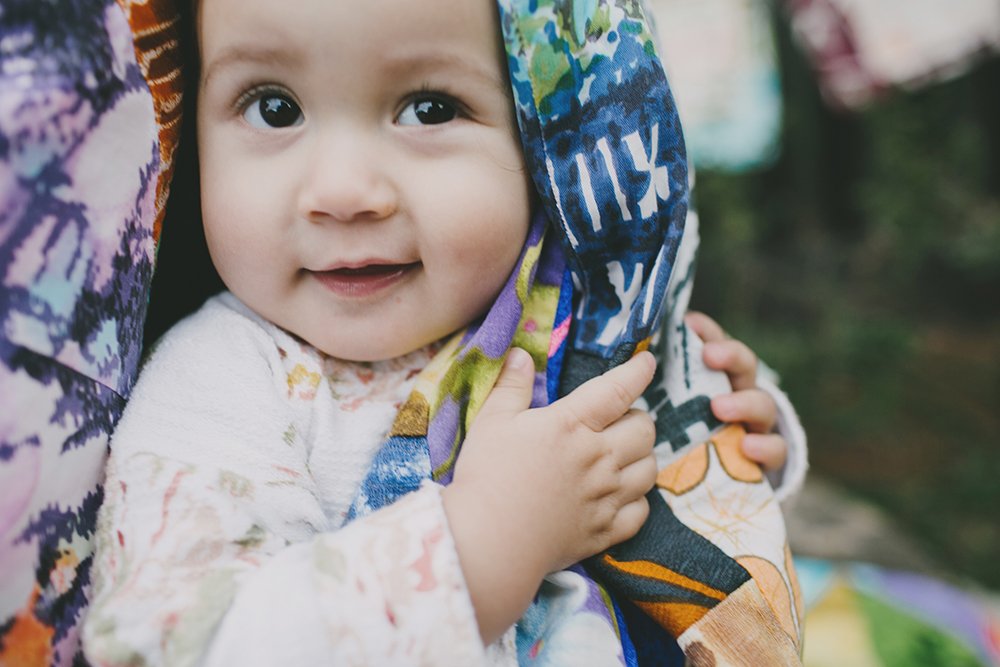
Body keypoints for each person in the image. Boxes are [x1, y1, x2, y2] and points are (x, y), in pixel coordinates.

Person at [81, 0, 806, 664]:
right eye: (275, 108)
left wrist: (744, 440)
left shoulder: (578, 318)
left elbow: (684, 515)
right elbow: (180, 642)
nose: (342, 191)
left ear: (552, 136)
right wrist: (485, 541)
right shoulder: (223, 384)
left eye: (428, 108)